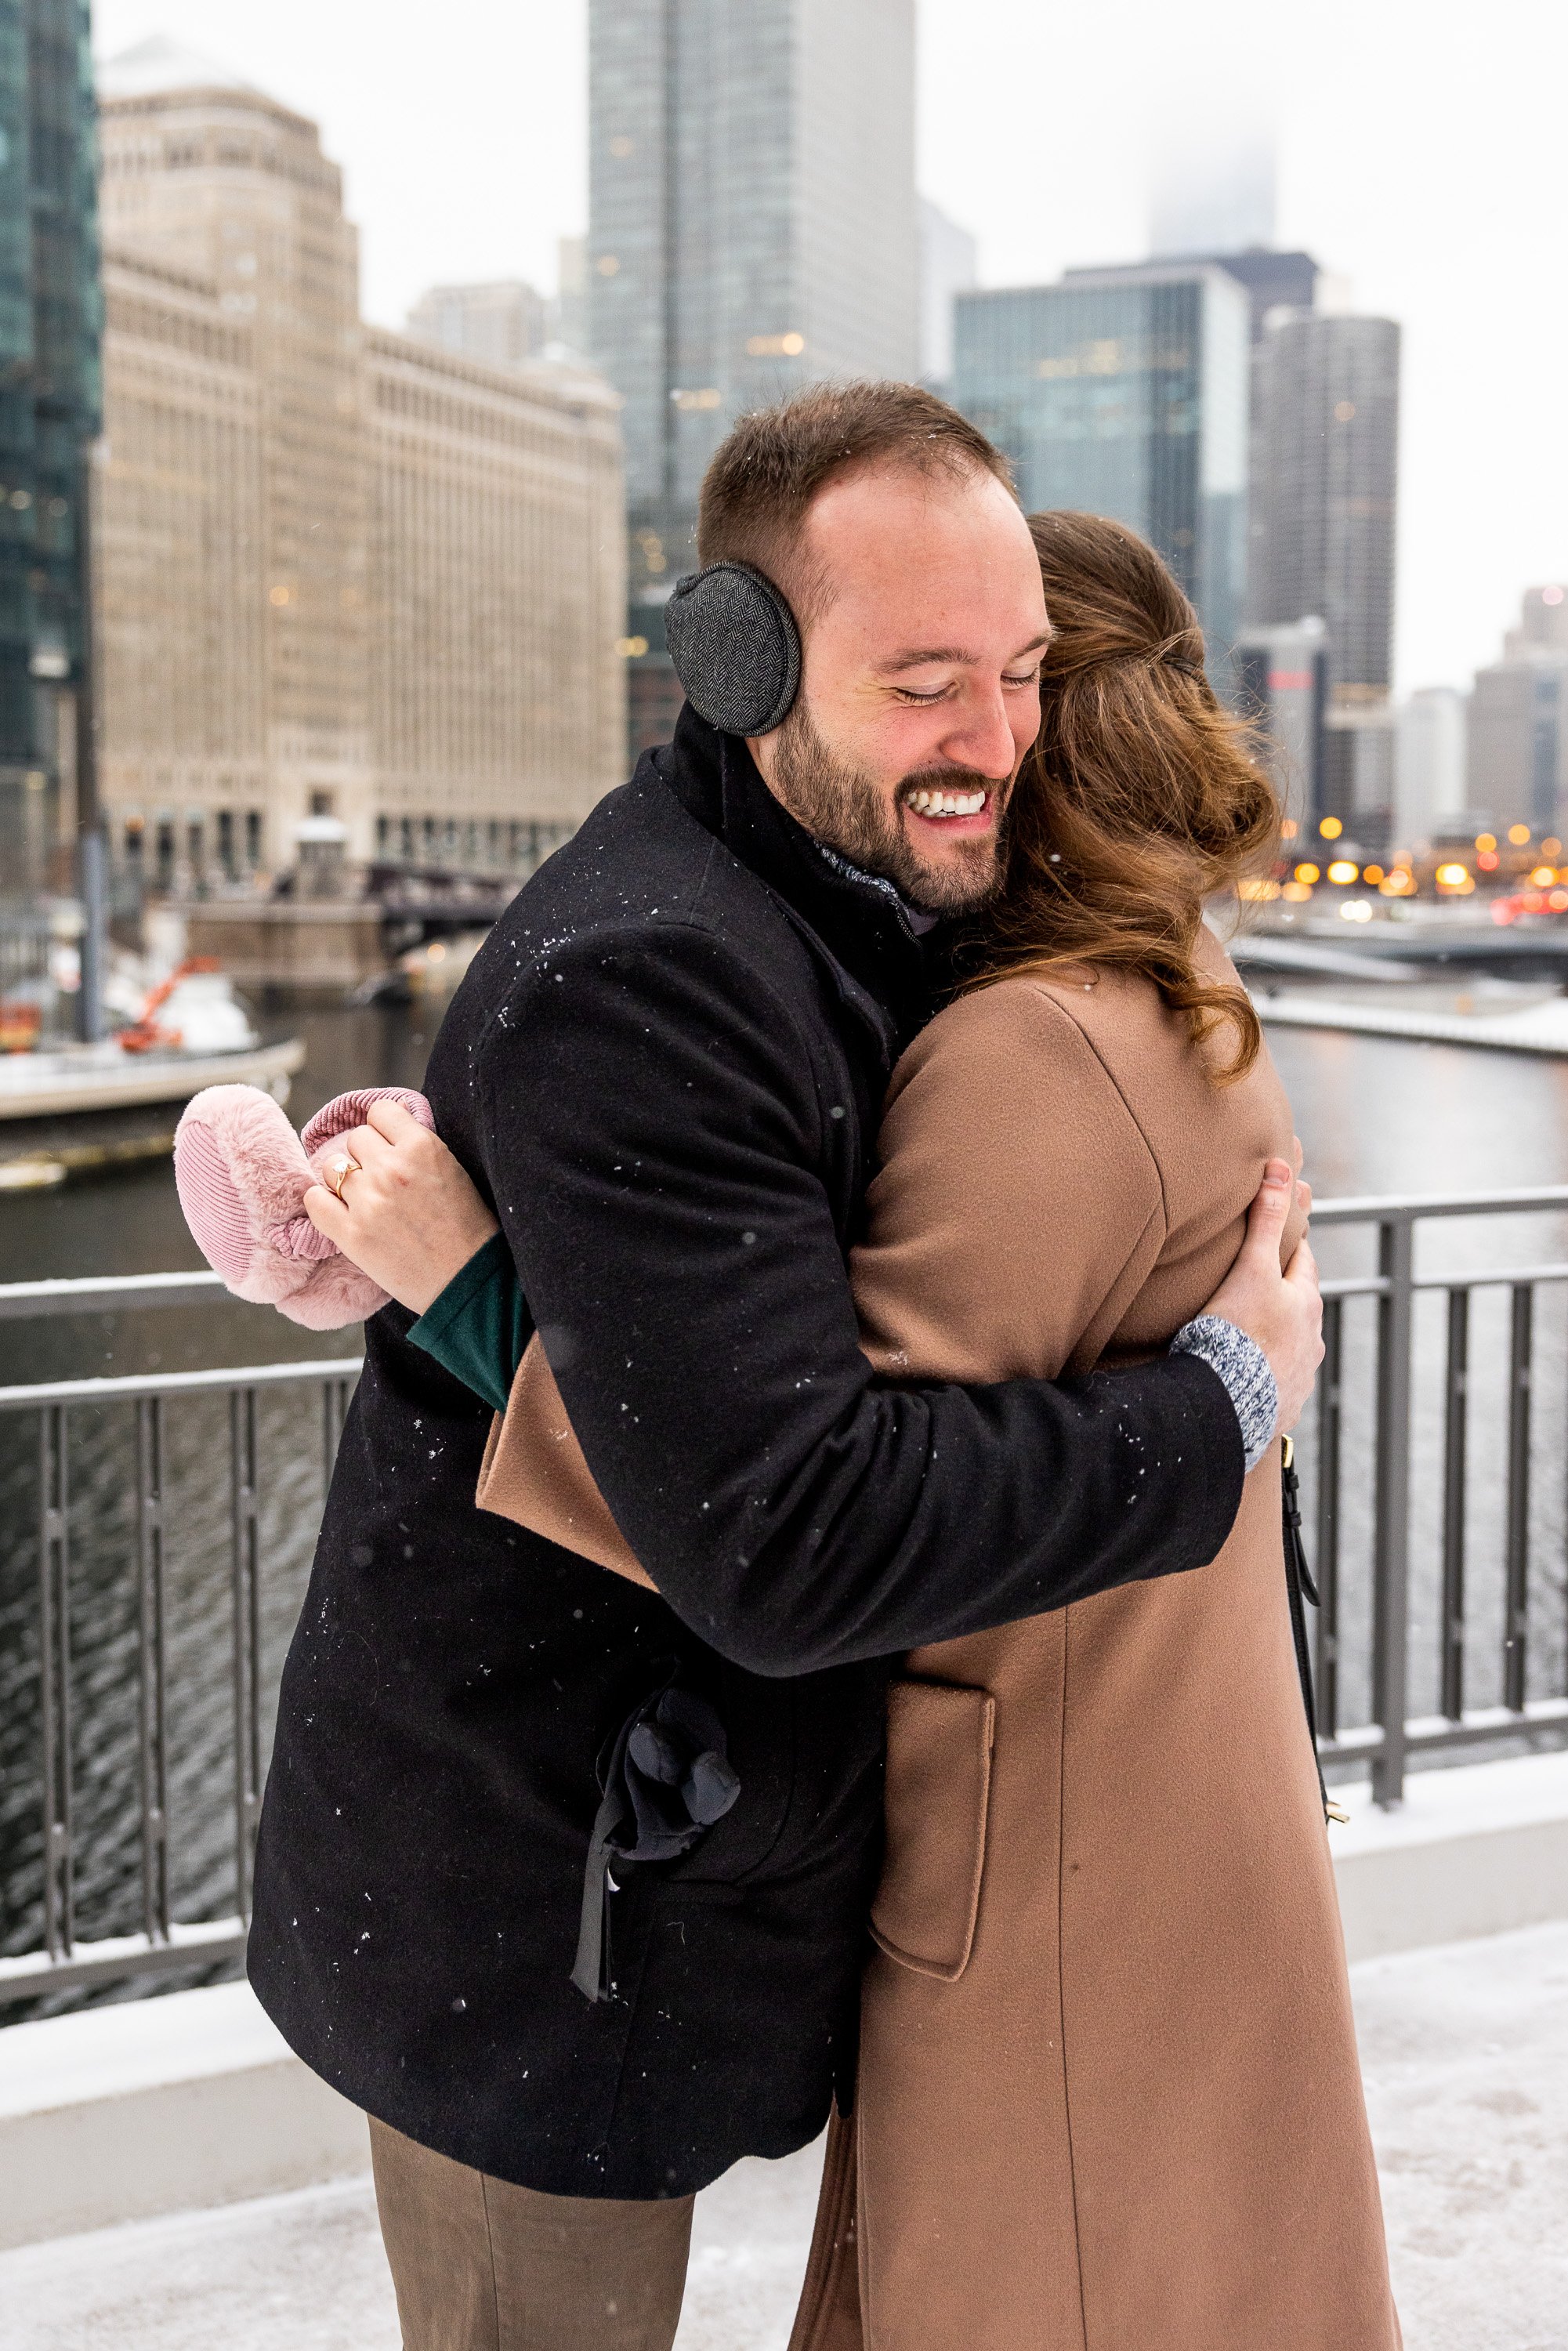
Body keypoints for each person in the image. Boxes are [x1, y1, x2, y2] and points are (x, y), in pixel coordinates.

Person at [257, 385, 1322, 2349]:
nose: (996, 741)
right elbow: (794, 1533)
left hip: (671, 1868)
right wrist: (1217, 1406)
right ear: (739, 660)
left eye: (1019, 675)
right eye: (927, 682)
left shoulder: (870, 911)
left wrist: (484, 1266)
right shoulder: (652, 969)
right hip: (537, 1932)